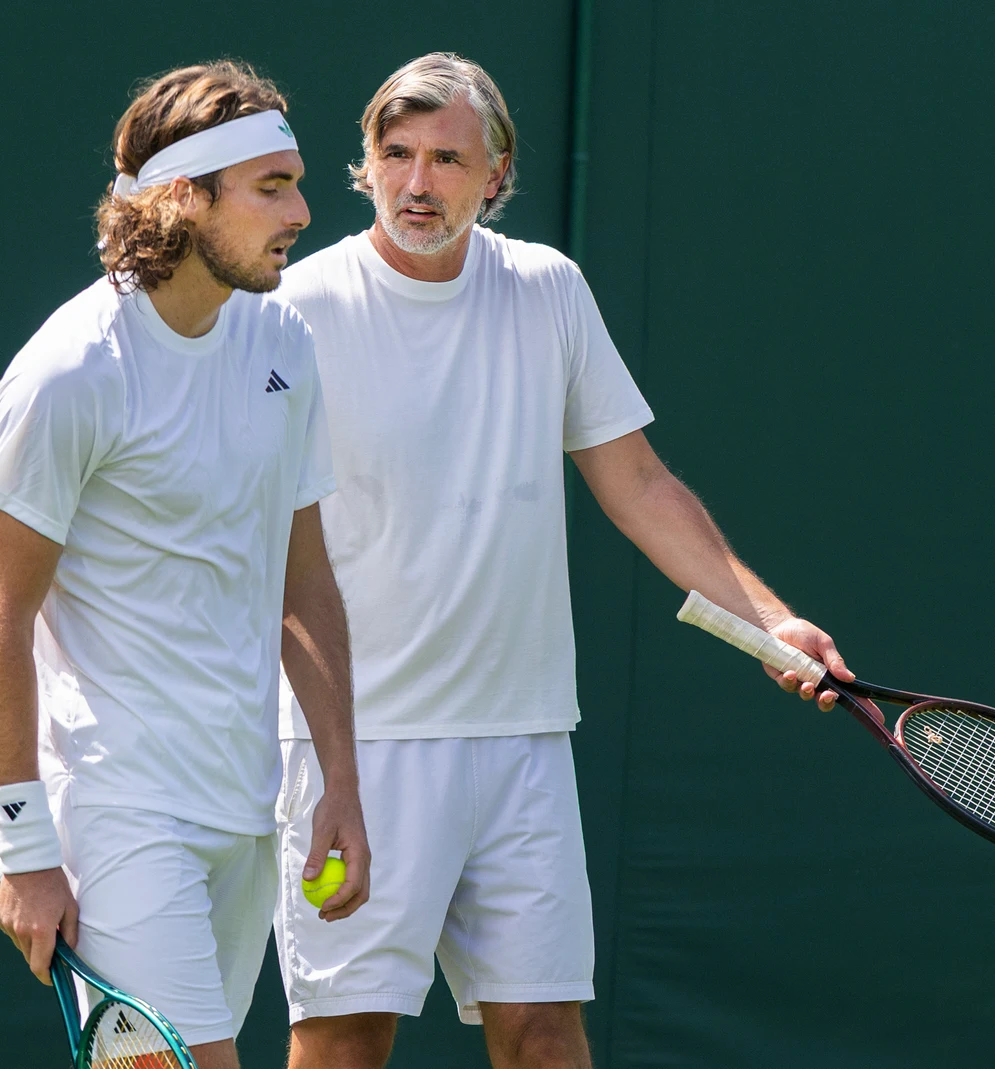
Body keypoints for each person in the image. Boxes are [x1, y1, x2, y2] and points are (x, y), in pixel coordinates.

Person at [272, 53, 853, 1069]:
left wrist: (768, 619)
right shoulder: (296, 309)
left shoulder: (547, 290)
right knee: (343, 1041)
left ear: (494, 176)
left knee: (545, 1034)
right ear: (363, 165)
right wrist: (332, 759)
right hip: (359, 752)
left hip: (523, 743)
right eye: (395, 154)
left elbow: (637, 485)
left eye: (446, 159)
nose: (417, 183)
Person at [0, 61, 370, 1069]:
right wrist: (23, 848)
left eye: (297, 181)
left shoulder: (281, 340)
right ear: (183, 197)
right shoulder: (71, 370)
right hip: (117, 804)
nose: (304, 210)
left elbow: (300, 578)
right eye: (271, 186)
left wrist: (342, 779)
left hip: (244, 803)